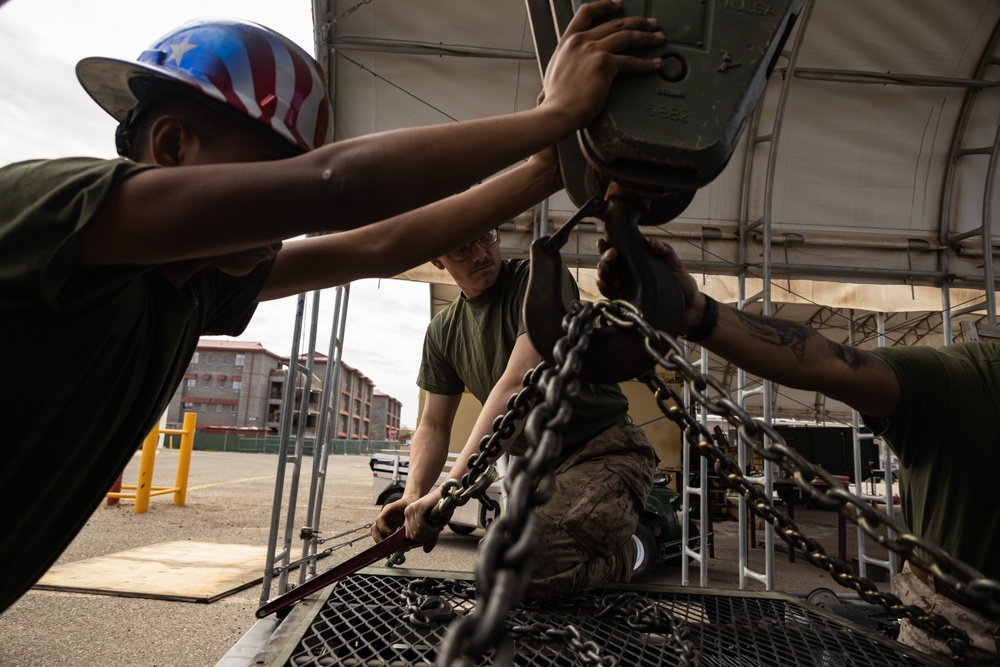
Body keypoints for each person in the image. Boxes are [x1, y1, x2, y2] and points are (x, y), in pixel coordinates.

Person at [0, 2, 667, 615]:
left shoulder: (189, 286)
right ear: (173, 147)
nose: (283, 220)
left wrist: (548, 168)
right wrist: (551, 117)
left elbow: (377, 244)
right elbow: (336, 188)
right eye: (271, 180)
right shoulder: (52, 206)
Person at [596, 236, 1000, 664]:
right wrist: (700, 315)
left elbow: (827, 362)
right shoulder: (967, 382)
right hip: (954, 640)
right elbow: (825, 362)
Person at [370, 219, 658, 598]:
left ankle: (615, 559)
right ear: (437, 260)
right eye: (460, 249)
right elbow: (434, 425)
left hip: (606, 450)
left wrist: (445, 493)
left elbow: (520, 381)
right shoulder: (443, 332)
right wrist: (412, 495)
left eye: (485, 236)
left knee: (512, 560)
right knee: (508, 567)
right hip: (541, 475)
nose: (479, 253)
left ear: (498, 234)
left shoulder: (539, 281)